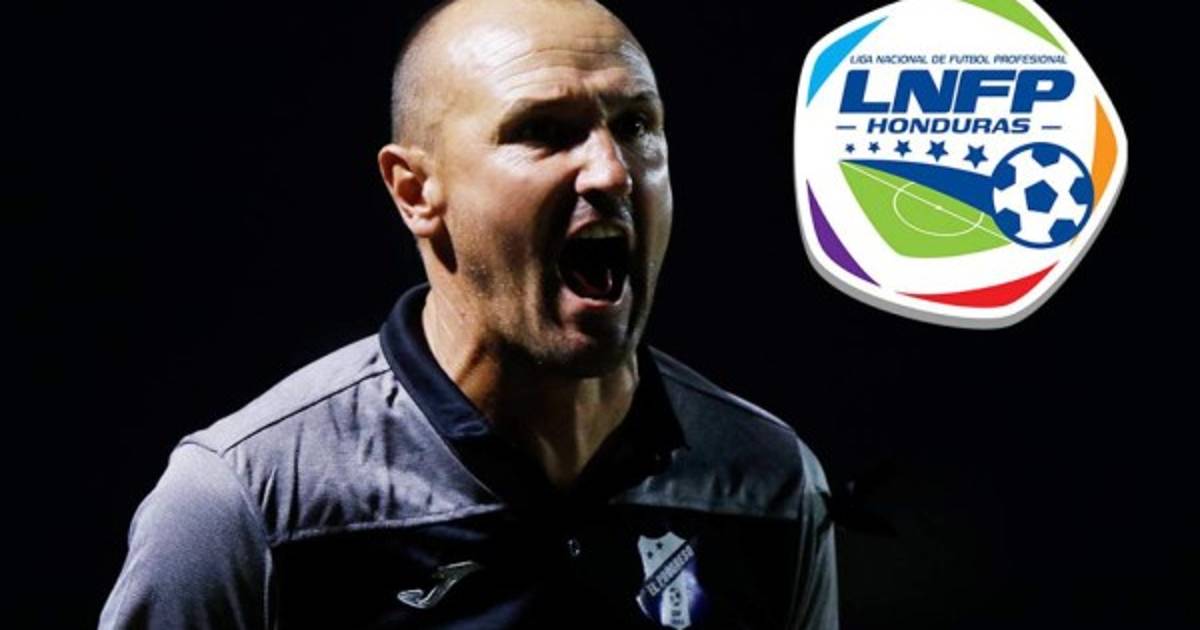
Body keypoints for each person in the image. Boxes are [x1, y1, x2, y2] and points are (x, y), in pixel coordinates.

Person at [99, 0, 838, 628]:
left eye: (636, 124)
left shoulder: (768, 487)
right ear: (415, 191)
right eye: (544, 130)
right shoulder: (247, 506)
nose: (612, 171)